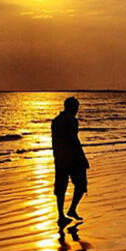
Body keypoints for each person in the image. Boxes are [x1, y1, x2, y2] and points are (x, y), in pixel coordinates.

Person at [51, 96, 89, 227]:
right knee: (81, 184)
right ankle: (71, 209)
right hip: (73, 159)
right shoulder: (71, 121)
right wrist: (83, 158)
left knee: (61, 187)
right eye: (76, 108)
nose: (77, 110)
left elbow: (55, 141)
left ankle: (61, 215)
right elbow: (74, 140)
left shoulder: (56, 120)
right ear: (72, 107)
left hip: (59, 158)